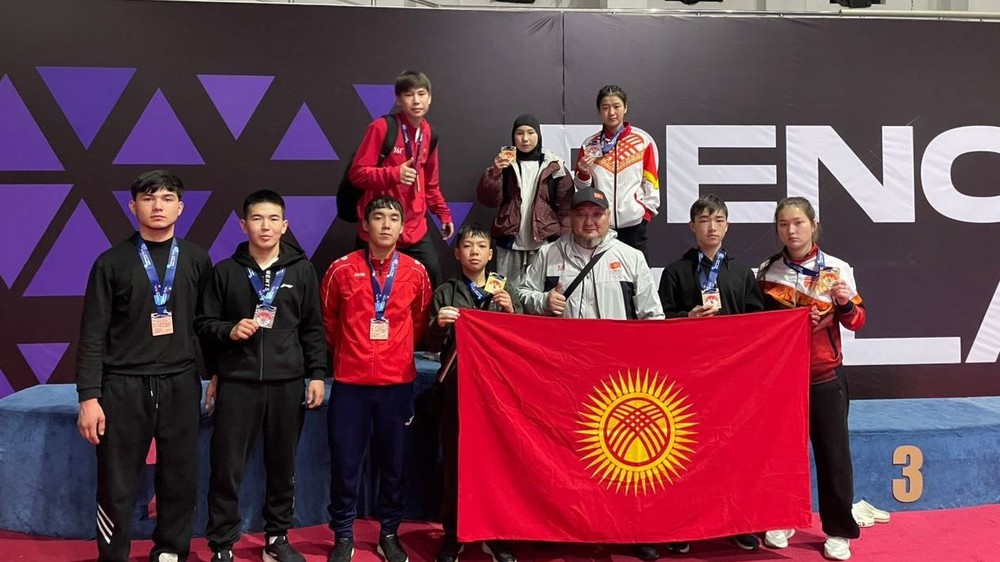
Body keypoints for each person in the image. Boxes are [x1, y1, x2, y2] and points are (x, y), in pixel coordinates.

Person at [76, 170, 212, 562]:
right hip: (123, 385)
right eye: (148, 198)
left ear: (180, 207)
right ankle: (113, 555)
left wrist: (216, 374)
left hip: (180, 382)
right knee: (116, 480)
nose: (157, 206)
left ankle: (170, 550)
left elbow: (206, 326)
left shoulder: (197, 260)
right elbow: (92, 334)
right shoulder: (111, 262)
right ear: (133, 206)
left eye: (167, 198)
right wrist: (89, 397)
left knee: (180, 475)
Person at [195, 190, 327, 562]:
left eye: (272, 219)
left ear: (284, 225)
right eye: (256, 218)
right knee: (227, 467)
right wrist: (229, 331)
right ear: (243, 225)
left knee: (282, 465)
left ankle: (276, 538)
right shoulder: (225, 271)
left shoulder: (301, 269)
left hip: (287, 382)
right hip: (238, 382)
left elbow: (313, 328)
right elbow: (203, 324)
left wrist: (317, 373)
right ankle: (222, 544)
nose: (265, 226)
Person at [647, 194, 764, 558]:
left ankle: (737, 524)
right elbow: (659, 322)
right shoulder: (675, 272)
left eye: (718, 220)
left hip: (732, 381)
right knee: (684, 454)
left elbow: (759, 326)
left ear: (727, 226)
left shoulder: (743, 274)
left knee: (732, 454)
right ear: (692, 226)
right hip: (688, 381)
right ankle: (680, 526)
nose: (711, 227)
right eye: (704, 220)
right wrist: (687, 319)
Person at [320, 195, 432, 562]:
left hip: (396, 386)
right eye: (378, 217)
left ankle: (389, 533)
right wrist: (353, 354)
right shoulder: (340, 269)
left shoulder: (416, 272)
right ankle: (343, 533)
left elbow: (419, 322)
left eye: (393, 218)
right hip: (350, 385)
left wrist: (393, 353)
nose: (385, 224)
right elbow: (329, 323)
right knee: (345, 464)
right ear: (365, 225)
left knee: (394, 466)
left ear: (402, 227)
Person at [756, 197, 865, 561]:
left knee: (834, 458)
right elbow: (758, 327)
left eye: (799, 222)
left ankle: (838, 530)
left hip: (824, 376)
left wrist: (844, 304)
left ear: (814, 225)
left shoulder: (837, 268)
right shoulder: (767, 271)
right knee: (783, 454)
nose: (792, 230)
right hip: (783, 380)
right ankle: (781, 518)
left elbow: (858, 321)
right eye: (784, 224)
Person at [425, 224, 522, 562]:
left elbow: (522, 342)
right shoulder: (446, 292)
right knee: (455, 464)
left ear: (491, 254)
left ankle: (496, 534)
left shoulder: (504, 290)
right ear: (457, 253)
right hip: (457, 387)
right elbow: (429, 344)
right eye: (468, 246)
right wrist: (439, 324)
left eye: (481, 246)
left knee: (497, 465)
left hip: (497, 392)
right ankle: (453, 534)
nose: (475, 252)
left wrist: (512, 312)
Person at [348, 70, 453, 287]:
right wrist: (394, 174)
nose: (416, 100)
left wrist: (443, 214)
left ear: (430, 98)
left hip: (414, 227)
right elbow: (357, 174)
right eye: (408, 94)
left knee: (433, 277)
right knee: (366, 287)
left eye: (421, 94)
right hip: (380, 225)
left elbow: (430, 185)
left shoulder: (429, 134)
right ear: (398, 99)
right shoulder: (382, 127)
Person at [519, 186, 663, 320]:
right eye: (581, 215)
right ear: (571, 217)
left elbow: (652, 316)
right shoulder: (548, 254)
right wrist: (543, 301)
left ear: (609, 216)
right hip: (564, 339)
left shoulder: (632, 258)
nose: (589, 222)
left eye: (597, 214)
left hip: (613, 340)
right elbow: (522, 295)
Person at [476, 114, 573, 287]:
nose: (525, 139)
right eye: (519, 133)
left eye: (530, 133)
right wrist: (495, 173)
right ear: (513, 136)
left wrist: (566, 241)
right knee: (501, 291)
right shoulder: (504, 164)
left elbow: (566, 208)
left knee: (541, 292)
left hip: (544, 243)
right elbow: (488, 200)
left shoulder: (555, 165)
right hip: (508, 242)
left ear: (539, 135)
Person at [573, 85, 659, 261]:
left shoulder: (642, 141)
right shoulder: (589, 144)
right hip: (601, 225)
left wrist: (645, 213)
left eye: (616, 106)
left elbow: (651, 181)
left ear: (625, 107)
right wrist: (583, 172)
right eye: (605, 107)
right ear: (599, 111)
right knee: (602, 274)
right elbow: (582, 188)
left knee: (638, 275)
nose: (611, 112)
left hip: (634, 224)